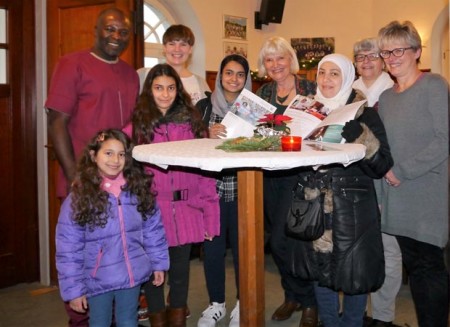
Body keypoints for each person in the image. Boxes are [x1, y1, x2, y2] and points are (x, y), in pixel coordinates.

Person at [45, 7, 139, 326]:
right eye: (109, 30)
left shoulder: (129, 74)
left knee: (117, 256)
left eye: (122, 32)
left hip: (119, 184)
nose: (115, 37)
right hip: (82, 182)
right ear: (96, 30)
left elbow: (130, 128)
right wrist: (75, 177)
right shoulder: (71, 64)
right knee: (84, 259)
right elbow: (57, 122)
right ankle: (81, 322)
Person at [290, 53, 393, 327]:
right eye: (322, 73)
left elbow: (382, 164)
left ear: (347, 77)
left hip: (352, 208)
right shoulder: (305, 111)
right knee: (320, 274)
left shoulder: (364, 112)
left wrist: (361, 136)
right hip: (314, 204)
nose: (326, 79)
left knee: (353, 275)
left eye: (334, 73)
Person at [125, 63, 220, 327]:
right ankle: (157, 318)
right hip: (152, 212)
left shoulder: (192, 124)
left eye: (170, 88)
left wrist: (209, 218)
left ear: (178, 90)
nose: (165, 94)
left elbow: (206, 173)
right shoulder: (138, 125)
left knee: (180, 271)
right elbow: (122, 166)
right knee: (153, 273)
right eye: (158, 88)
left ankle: (177, 317)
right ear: (149, 91)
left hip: (187, 209)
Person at [55, 129, 169, 327]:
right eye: (108, 153)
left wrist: (158, 263)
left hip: (131, 275)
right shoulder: (80, 197)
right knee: (100, 322)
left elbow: (153, 229)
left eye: (121, 153)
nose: (115, 159)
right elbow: (68, 248)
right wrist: (74, 290)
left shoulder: (137, 189)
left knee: (128, 321)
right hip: (97, 279)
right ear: (93, 155)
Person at [377, 21, 449, 327]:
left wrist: (402, 171)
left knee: (428, 267)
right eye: (385, 52)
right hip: (395, 193)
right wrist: (381, 193)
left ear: (417, 51)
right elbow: (383, 149)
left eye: (398, 50)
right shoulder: (386, 97)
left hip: (425, 192)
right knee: (414, 266)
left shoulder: (434, 85)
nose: (391, 57)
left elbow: (444, 139)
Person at [255, 36, 319, 327]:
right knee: (277, 241)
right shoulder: (264, 91)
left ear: (290, 59)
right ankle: (292, 294)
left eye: (280, 57)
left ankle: (309, 302)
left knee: (294, 241)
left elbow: (322, 128)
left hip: (302, 175)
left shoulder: (310, 89)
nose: (275, 64)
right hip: (270, 175)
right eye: (269, 60)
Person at [195, 54, 252, 327]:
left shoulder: (255, 109)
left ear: (247, 78)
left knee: (243, 251)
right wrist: (206, 133)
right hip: (211, 193)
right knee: (213, 251)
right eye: (229, 73)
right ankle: (216, 302)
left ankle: (244, 302)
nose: (234, 79)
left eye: (240, 74)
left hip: (244, 192)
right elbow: (189, 144)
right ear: (219, 75)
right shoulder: (204, 107)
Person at [352, 38, 402, 327]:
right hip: (357, 177)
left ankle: (383, 315)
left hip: (385, 174)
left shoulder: (393, 88)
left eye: (372, 56)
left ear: (382, 60)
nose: (366, 61)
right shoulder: (350, 90)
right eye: (360, 57)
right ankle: (358, 311)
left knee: (388, 248)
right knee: (358, 246)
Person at [137, 24, 210, 105]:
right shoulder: (143, 75)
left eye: (183, 44)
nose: (177, 49)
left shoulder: (200, 82)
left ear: (190, 49)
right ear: (164, 47)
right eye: (172, 44)